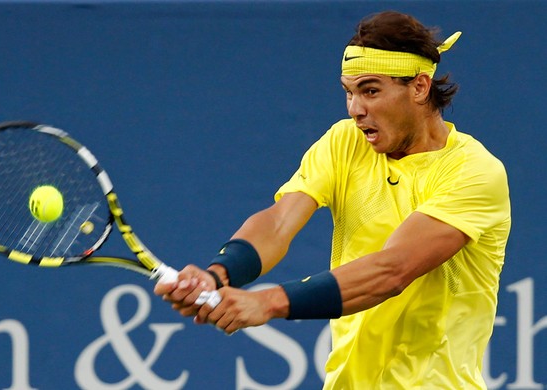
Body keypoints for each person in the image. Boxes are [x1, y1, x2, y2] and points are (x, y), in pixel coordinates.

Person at [154, 10, 511, 389]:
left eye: (371, 91)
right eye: (348, 92)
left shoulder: (474, 172)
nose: (356, 109)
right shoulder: (345, 142)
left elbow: (392, 270)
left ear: (420, 87)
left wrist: (268, 301)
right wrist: (218, 273)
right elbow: (279, 222)